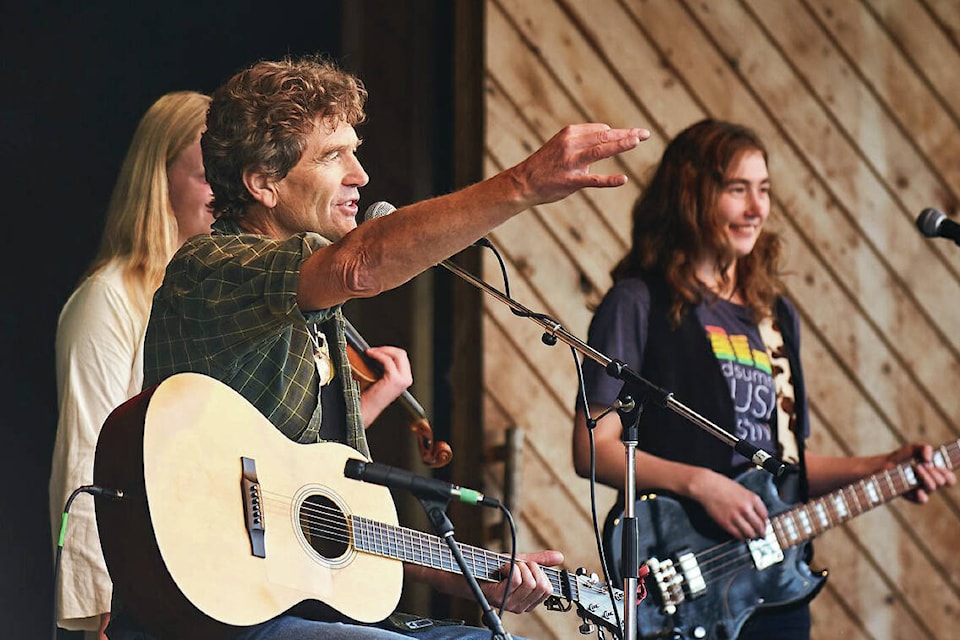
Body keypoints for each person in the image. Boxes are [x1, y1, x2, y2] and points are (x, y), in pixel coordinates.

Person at [100, 53, 648, 640]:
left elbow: (331, 516)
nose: (360, 174)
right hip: (218, 615)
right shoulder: (210, 266)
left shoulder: (319, 316)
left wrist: (467, 575)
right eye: (333, 156)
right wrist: (520, 185)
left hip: (293, 608)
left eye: (354, 151)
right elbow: (360, 264)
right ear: (264, 183)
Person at [571, 118, 955, 640]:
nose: (757, 209)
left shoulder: (773, 316)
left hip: (774, 588)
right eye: (737, 190)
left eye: (764, 191)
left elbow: (786, 465)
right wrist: (703, 485)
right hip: (679, 580)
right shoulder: (637, 302)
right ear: (691, 195)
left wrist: (882, 466)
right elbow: (592, 447)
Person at [49, 91, 215, 639]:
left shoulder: (213, 304)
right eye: (206, 173)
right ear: (158, 180)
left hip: (201, 591)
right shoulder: (109, 297)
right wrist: (100, 603)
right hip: (133, 604)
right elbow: (85, 458)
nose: (225, 192)